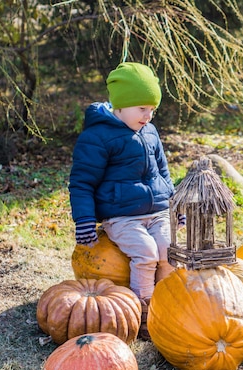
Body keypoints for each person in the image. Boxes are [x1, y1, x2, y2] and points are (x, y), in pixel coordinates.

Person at [69, 62, 180, 340]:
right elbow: (82, 182)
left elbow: (163, 172)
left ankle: (165, 305)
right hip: (121, 216)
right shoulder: (97, 137)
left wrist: (175, 204)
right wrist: (84, 220)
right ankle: (141, 313)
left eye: (152, 108)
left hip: (156, 211)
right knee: (145, 252)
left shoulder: (150, 132)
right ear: (120, 106)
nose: (148, 115)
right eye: (142, 108)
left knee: (169, 248)